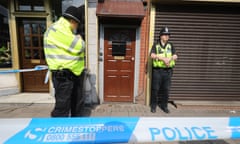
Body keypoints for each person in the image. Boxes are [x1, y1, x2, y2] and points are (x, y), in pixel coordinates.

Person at [44, 6, 85, 117]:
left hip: (72, 74)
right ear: (72, 21)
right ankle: (58, 131)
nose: (77, 27)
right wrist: (80, 39)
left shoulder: (62, 30)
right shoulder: (59, 29)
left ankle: (76, 128)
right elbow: (79, 46)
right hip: (64, 77)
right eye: (77, 24)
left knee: (76, 105)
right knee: (62, 109)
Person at [150, 27, 178, 113]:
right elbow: (152, 55)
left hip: (168, 71)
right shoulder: (156, 45)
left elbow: (176, 56)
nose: (167, 36)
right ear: (161, 36)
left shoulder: (171, 45)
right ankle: (153, 106)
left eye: (168, 35)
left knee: (166, 90)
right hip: (158, 71)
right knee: (155, 89)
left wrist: (170, 59)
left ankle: (164, 106)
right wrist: (163, 59)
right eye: (165, 35)